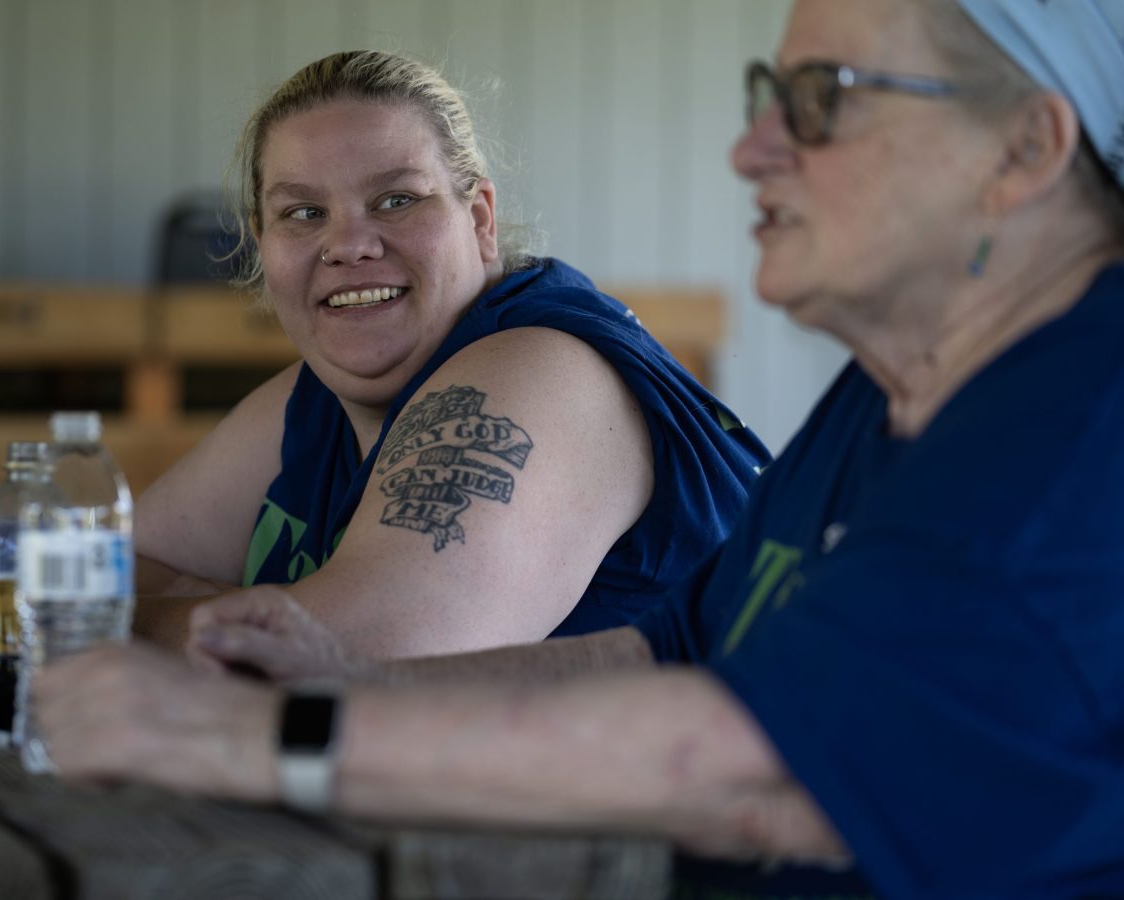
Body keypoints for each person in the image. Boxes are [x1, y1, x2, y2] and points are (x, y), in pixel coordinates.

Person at [36, 1, 1124, 896]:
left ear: (1026, 147)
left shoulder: (1076, 435)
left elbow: (768, 774)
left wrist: (248, 735)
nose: (752, 147)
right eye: (765, 98)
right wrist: (353, 682)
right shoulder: (884, 398)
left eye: (822, 101)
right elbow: (664, 654)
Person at [132, 50, 769, 657]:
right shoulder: (323, 396)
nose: (348, 244)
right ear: (263, 245)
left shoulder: (540, 371)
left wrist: (149, 616)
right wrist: (245, 615)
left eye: (396, 199)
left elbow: (360, 660)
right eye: (302, 212)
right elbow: (112, 561)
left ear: (481, 221)